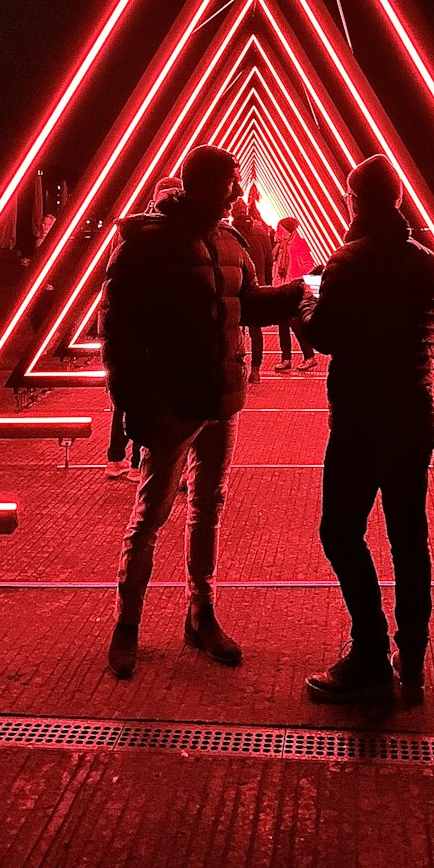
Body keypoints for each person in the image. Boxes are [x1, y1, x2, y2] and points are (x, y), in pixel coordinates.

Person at [100, 145, 308, 679]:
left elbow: (249, 304)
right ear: (200, 185)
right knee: (152, 513)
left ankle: (201, 612)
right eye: (229, 183)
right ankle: (127, 625)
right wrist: (135, 408)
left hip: (222, 399)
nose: (238, 193)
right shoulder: (144, 247)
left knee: (209, 508)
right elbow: (118, 339)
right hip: (171, 401)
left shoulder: (232, 242)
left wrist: (299, 293)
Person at [299, 154, 434, 705]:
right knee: (409, 541)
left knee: (340, 532)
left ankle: (368, 648)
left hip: (359, 423)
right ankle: (411, 659)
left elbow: (322, 337)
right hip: (415, 421)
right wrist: (411, 366)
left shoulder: (347, 263)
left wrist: (304, 305)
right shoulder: (431, 266)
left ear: (354, 200)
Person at [105, 176, 183, 480]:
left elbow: (112, 278)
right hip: (157, 330)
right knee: (153, 395)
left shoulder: (129, 231)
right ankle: (139, 460)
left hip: (127, 326)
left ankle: (116, 458)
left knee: (125, 395)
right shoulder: (174, 233)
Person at [230, 197, 273, 383]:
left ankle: (237, 368)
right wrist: (267, 285)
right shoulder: (261, 232)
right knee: (256, 330)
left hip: (236, 286)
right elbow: (269, 261)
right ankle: (256, 370)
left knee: (235, 329)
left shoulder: (229, 233)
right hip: (258, 285)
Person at [273, 216, 317, 372]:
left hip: (292, 290)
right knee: (282, 325)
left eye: (280, 228)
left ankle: (309, 357)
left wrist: (295, 279)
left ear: (287, 230)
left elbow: (309, 264)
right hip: (280, 289)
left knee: (295, 325)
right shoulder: (280, 246)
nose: (277, 231)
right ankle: (286, 358)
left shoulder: (299, 244)